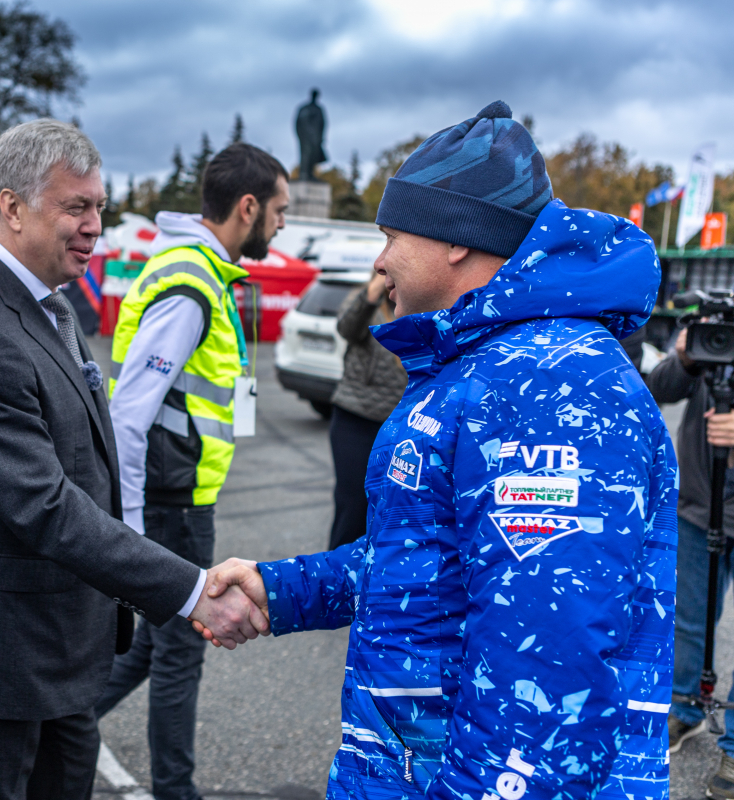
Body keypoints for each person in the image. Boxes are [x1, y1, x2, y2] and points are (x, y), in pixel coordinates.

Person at [198, 102, 677, 799]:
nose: (381, 260)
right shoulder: (487, 365)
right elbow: (427, 561)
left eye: (392, 236)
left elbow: (544, 688)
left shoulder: (546, 385)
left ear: (456, 239)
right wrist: (283, 590)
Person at [0, 118, 269, 800]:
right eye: (76, 207)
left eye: (99, 206)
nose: (95, 226)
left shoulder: (48, 305)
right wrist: (190, 590)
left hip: (58, 653)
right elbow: (44, 505)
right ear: (11, 207)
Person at [98, 142, 288, 800]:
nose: (281, 225)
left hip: (179, 497)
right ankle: (175, 792)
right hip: (169, 505)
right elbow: (128, 416)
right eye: (279, 211)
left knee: (154, 646)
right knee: (180, 651)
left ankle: (53, 725)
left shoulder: (203, 270)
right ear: (247, 207)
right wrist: (127, 529)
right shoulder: (191, 282)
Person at [647, 326, 734, 794]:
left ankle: (733, 748)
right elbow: (660, 390)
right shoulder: (715, 334)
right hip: (701, 503)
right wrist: (683, 357)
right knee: (688, 617)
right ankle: (684, 706)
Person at [326, 272, 407, 550]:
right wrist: (374, 290)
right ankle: (338, 571)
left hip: (398, 422)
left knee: (393, 508)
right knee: (353, 506)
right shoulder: (365, 300)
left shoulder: (415, 302)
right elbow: (347, 329)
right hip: (356, 417)